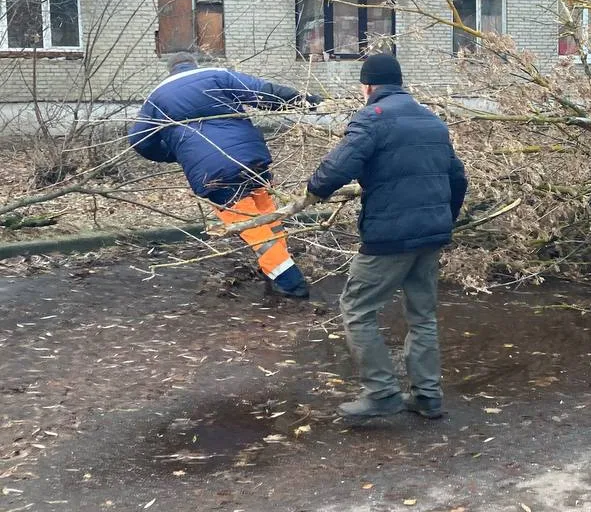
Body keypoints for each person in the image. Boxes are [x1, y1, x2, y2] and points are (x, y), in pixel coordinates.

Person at [305, 54, 468, 420]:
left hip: (389, 237)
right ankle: (428, 396)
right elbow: (458, 178)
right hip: (430, 235)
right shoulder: (431, 121)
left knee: (357, 308)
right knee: (422, 315)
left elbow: (339, 167)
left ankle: (381, 393)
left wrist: (314, 189)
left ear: (367, 86)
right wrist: (444, 220)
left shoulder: (371, 119)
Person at [128, 52, 320, 297]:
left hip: (213, 173)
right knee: (267, 217)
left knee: (252, 228)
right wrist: (309, 101)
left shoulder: (156, 98)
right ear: (193, 64)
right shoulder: (217, 76)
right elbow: (264, 93)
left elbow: (139, 140)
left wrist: (176, 153)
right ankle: (272, 270)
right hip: (251, 159)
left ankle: (292, 284)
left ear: (171, 70)